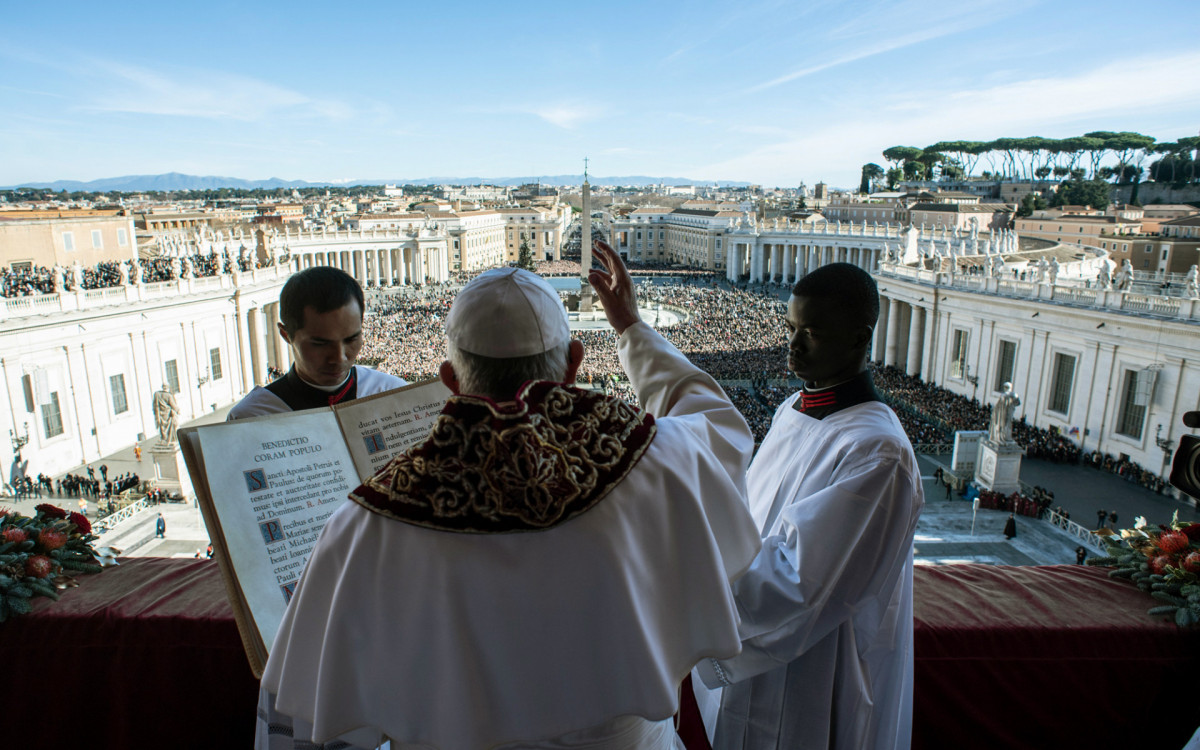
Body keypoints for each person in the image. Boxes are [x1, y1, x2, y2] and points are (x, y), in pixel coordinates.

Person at [256, 242, 761, 750]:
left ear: (450, 381)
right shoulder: (659, 458)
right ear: (572, 366)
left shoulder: (369, 518)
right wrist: (631, 327)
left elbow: (322, 697)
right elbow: (720, 426)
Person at [693, 262, 925, 750]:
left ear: (861, 339)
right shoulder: (793, 407)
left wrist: (685, 585)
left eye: (813, 333)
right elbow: (751, 517)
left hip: (812, 672)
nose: (793, 345)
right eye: (791, 328)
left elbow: (799, 582)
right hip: (752, 644)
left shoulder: (878, 453)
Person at [227, 267, 406, 419]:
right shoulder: (250, 418)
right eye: (320, 343)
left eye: (351, 339)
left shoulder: (395, 394)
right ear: (286, 335)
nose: (339, 358)